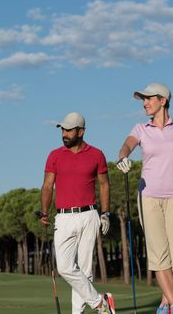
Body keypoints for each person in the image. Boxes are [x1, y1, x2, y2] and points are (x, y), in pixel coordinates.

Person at [116, 83, 173, 314]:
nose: (145, 103)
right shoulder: (140, 128)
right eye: (143, 100)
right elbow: (126, 146)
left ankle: (164, 304)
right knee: (159, 254)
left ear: (163, 100)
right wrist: (123, 157)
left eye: (148, 99)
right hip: (148, 197)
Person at [39, 111, 116, 314]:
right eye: (62, 129)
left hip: (89, 215)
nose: (64, 133)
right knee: (65, 268)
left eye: (68, 130)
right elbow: (47, 186)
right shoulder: (55, 155)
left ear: (81, 131)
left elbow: (104, 185)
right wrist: (44, 212)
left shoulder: (96, 154)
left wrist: (105, 213)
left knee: (85, 271)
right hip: (63, 217)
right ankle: (100, 304)